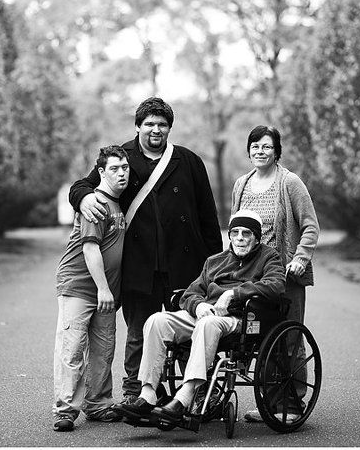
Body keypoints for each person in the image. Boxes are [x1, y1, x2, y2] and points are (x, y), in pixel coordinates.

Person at [69, 97, 223, 404]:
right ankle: (135, 392)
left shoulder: (188, 161)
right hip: (139, 265)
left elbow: (208, 217)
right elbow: (81, 186)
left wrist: (214, 269)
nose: (156, 130)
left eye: (162, 125)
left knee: (187, 330)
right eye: (149, 124)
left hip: (185, 265)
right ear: (138, 126)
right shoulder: (121, 157)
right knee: (139, 332)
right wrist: (84, 198)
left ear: (169, 128)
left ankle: (193, 393)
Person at [117, 210, 285, 426]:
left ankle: (184, 397)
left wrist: (233, 293)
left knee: (207, 324)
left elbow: (276, 285)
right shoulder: (215, 261)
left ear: (257, 238)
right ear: (230, 236)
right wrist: (199, 305)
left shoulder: (269, 257)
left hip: (239, 318)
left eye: (247, 233)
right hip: (206, 315)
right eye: (235, 232)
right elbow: (189, 293)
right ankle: (148, 393)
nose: (240, 238)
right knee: (156, 321)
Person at [230, 125, 319, 423]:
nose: (260, 150)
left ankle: (292, 403)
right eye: (255, 145)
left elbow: (310, 226)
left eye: (266, 146)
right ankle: (269, 402)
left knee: (288, 337)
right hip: (251, 274)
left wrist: (300, 259)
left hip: (285, 274)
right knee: (259, 338)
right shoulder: (241, 184)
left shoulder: (290, 183)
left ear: (277, 151)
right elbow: (236, 229)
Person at [52, 145, 130, 432]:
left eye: (124, 168)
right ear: (101, 172)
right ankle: (65, 410)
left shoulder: (119, 203)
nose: (121, 173)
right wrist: (104, 289)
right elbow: (90, 249)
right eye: (114, 169)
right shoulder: (95, 203)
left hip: (105, 292)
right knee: (72, 347)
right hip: (80, 286)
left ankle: (98, 404)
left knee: (103, 348)